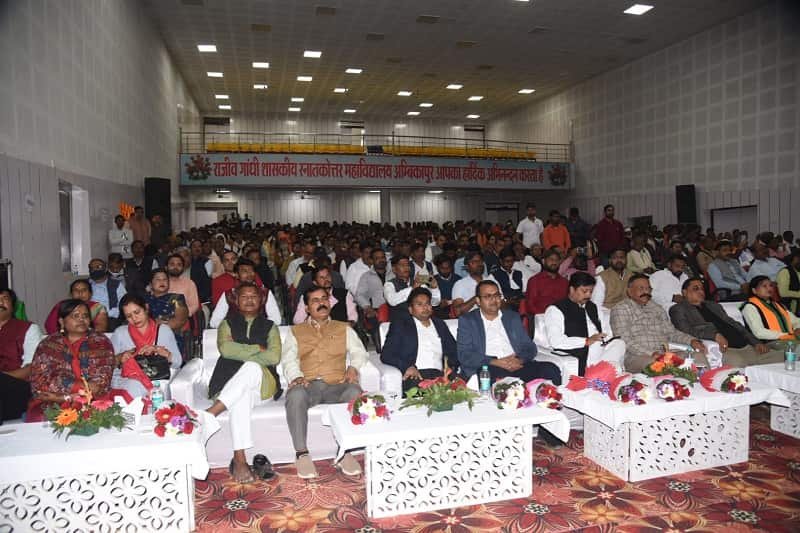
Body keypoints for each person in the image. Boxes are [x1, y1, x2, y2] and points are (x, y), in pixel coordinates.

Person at [283, 285, 368, 479]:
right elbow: (288, 359)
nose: (321, 303)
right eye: (315, 300)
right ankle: (302, 453)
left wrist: (353, 367)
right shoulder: (296, 331)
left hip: (337, 384)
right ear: (306, 308)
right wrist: (296, 376)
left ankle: (344, 451)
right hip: (308, 384)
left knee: (355, 392)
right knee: (295, 395)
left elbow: (359, 352)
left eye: (324, 299)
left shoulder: (343, 328)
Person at [205, 282, 282, 483]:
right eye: (244, 296)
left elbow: (274, 357)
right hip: (228, 384)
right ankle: (240, 459)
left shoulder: (270, 326)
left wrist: (240, 351)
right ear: (236, 301)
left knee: (252, 367)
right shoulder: (227, 324)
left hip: (262, 386)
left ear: (261, 300)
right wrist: (257, 348)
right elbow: (226, 350)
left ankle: (211, 413)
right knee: (241, 395)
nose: (249, 300)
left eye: (253, 296)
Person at [457, 280, 561, 386]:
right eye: (488, 296)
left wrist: (519, 360)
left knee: (551, 369)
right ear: (478, 301)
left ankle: (553, 395)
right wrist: (495, 362)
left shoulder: (512, 317)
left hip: (516, 365)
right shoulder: (468, 321)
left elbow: (530, 347)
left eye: (497, 295)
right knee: (488, 375)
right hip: (489, 367)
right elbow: (464, 354)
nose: (494, 299)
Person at [27, 299, 115, 422]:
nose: (81, 319)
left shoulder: (101, 342)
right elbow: (39, 382)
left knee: (93, 416)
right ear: (62, 321)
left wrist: (65, 397)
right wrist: (73, 392)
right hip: (51, 401)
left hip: (93, 400)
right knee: (42, 417)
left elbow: (99, 385)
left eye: (85, 316)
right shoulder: (48, 344)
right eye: (75, 316)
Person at [669, 278, 783, 367]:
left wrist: (756, 342)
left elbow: (735, 324)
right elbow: (686, 331)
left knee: (786, 356)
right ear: (684, 292)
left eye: (702, 289)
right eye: (696, 288)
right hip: (726, 351)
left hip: (747, 347)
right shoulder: (678, 309)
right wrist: (714, 335)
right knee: (739, 367)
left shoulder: (714, 305)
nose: (701, 291)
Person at [610, 275, 707, 372]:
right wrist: (652, 353)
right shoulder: (621, 308)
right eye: (641, 288)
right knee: (658, 365)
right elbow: (624, 340)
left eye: (648, 289)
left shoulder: (657, 308)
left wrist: (692, 341)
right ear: (630, 291)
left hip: (664, 354)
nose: (646, 292)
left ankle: (703, 380)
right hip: (638, 356)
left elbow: (672, 333)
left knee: (697, 356)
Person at [545, 273, 626, 374]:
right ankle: (601, 373)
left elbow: (605, 331)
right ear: (572, 290)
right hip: (580, 350)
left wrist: (606, 339)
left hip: (599, 349)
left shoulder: (593, 307)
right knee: (613, 366)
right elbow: (556, 341)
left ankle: (600, 373)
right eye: (584, 291)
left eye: (591, 291)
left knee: (619, 344)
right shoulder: (556, 310)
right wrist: (586, 341)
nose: (588, 295)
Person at [380, 288, 458, 393]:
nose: (425, 307)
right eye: (419, 304)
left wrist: (450, 366)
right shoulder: (401, 325)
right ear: (410, 309)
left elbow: (454, 351)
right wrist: (407, 367)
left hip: (440, 375)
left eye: (427, 303)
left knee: (461, 390)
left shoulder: (440, 324)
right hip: (417, 375)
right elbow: (386, 354)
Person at [111, 294, 181, 398]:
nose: (134, 318)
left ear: (146, 308)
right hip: (128, 381)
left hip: (158, 379)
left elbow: (178, 362)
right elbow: (108, 364)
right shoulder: (120, 333)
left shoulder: (163, 331)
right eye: (129, 316)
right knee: (135, 386)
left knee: (156, 388)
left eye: (137, 312)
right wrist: (120, 358)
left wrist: (165, 353)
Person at [0, 289, 43, 421]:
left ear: (13, 305)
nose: (0, 302)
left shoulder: (28, 329)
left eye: (4, 298)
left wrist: (3, 378)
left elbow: (32, 368)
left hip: (17, 388)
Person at [210, 259, 281, 327]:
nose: (249, 274)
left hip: (260, 331)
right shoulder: (229, 294)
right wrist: (236, 327)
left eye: (251, 270)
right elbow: (214, 322)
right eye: (244, 271)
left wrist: (257, 327)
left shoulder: (265, 293)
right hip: (234, 332)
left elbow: (277, 320)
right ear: (236, 275)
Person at [741, 275, 800, 342]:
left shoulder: (777, 305)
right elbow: (759, 332)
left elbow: (795, 321)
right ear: (754, 290)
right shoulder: (750, 307)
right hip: (770, 343)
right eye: (764, 286)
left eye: (771, 285)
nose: (769, 288)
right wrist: (787, 335)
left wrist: (797, 328)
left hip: (790, 339)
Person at [384, 256, 441, 322]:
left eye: (408, 265)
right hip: (400, 322)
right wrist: (413, 288)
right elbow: (392, 301)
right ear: (394, 269)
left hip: (420, 321)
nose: (406, 267)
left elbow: (435, 303)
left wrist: (434, 288)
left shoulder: (418, 281)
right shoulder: (389, 284)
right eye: (402, 265)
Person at [44, 279, 109, 334]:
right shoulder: (62, 305)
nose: (80, 293)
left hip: (90, 339)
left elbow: (100, 328)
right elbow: (50, 326)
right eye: (76, 290)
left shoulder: (98, 307)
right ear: (71, 294)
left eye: (84, 290)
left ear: (90, 294)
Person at [524, 249, 568, 316]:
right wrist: (545, 315)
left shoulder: (564, 282)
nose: (554, 262)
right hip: (541, 316)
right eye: (551, 259)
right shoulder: (534, 281)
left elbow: (568, 303)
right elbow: (530, 306)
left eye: (557, 260)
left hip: (562, 316)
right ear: (543, 261)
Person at [451, 249, 494, 317]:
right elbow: (457, 312)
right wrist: (478, 296)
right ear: (467, 267)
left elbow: (502, 303)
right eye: (474, 262)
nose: (479, 264)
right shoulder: (460, 284)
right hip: (471, 320)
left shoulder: (492, 280)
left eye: (480, 261)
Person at [88, 257, 127, 329]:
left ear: (105, 269)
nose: (95, 270)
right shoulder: (86, 285)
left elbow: (123, 304)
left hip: (110, 317)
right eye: (92, 268)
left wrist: (103, 314)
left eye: (98, 267)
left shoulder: (116, 284)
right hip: (89, 318)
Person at [433, 254, 461, 319]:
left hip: (456, 312)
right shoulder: (432, 281)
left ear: (451, 267)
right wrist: (438, 303)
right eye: (442, 268)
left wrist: (450, 302)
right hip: (439, 315)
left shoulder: (459, 279)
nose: (445, 271)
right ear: (437, 268)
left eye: (448, 268)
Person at [189, 239, 213, 305]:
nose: (197, 248)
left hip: (203, 297)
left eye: (199, 246)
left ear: (202, 248)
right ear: (190, 249)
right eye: (194, 246)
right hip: (190, 294)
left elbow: (208, 281)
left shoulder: (207, 261)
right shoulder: (187, 261)